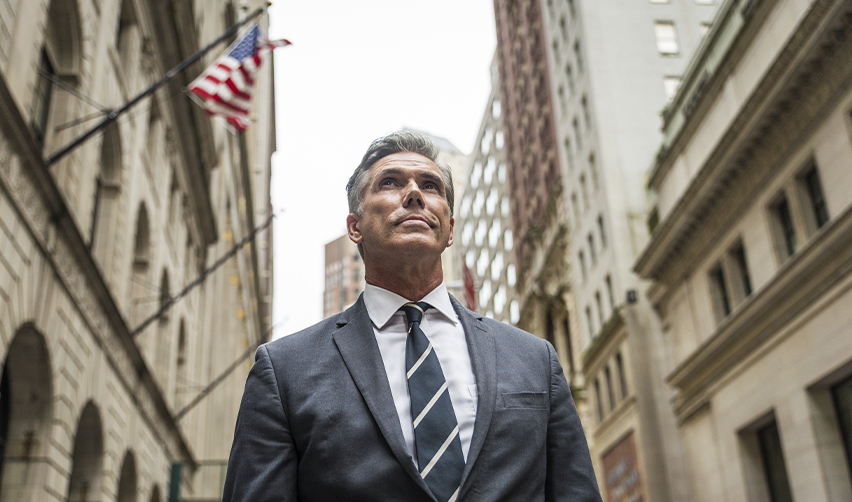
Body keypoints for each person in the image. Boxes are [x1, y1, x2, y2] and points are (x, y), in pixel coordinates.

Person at [221, 131, 602, 502]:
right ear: (354, 227)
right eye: (390, 182)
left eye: (431, 186)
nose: (415, 194)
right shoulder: (284, 370)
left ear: (449, 229)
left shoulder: (535, 359)